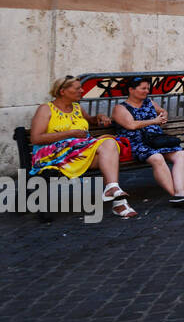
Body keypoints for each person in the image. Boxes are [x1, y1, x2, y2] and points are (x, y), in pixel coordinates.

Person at [29, 75, 136, 219]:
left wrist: (98, 117)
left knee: (109, 146)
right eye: (78, 88)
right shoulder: (46, 109)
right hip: (53, 156)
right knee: (109, 148)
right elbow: (36, 138)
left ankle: (113, 190)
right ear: (62, 91)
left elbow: (89, 121)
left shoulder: (77, 107)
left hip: (79, 154)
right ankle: (119, 203)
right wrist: (70, 134)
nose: (82, 90)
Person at [113, 75, 184, 208]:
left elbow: (161, 110)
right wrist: (154, 121)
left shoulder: (149, 102)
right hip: (136, 143)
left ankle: (180, 192)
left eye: (147, 88)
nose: (146, 91)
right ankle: (175, 195)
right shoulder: (120, 108)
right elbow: (131, 125)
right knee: (157, 158)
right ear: (131, 90)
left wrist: (163, 114)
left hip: (156, 140)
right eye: (143, 88)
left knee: (180, 154)